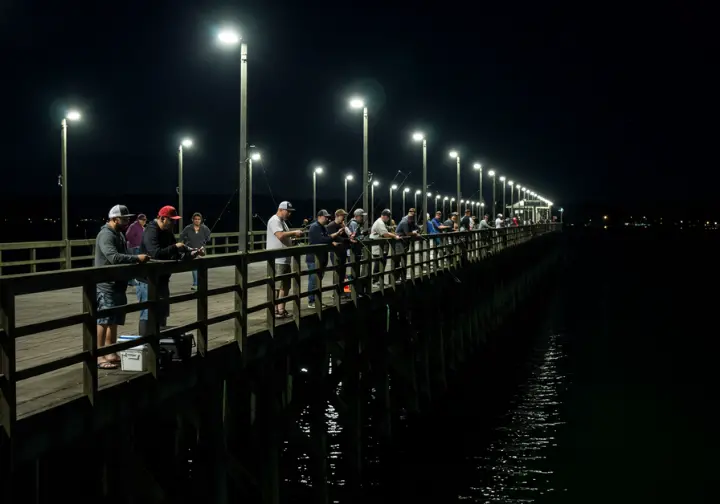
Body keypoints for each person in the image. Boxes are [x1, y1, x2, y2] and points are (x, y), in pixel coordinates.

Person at [95, 205, 149, 369]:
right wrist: (136, 259)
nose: (127, 221)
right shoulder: (105, 235)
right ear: (114, 219)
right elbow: (113, 257)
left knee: (114, 319)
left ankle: (110, 351)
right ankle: (99, 355)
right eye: (124, 219)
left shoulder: (118, 234)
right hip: (106, 285)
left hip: (118, 284)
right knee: (103, 320)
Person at [136, 205, 198, 336]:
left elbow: (175, 254)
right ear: (163, 218)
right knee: (147, 315)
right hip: (148, 281)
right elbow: (155, 253)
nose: (173, 223)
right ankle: (146, 344)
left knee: (162, 312)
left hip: (163, 279)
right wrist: (175, 246)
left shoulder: (168, 232)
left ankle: (160, 344)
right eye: (171, 220)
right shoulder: (151, 231)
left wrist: (192, 254)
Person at [266, 201, 304, 319]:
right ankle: (278, 310)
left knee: (285, 286)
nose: (289, 214)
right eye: (288, 211)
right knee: (280, 286)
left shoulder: (282, 222)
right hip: (278, 259)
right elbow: (280, 235)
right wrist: (294, 232)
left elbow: (284, 237)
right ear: (280, 210)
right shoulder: (274, 220)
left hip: (285, 258)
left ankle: (280, 309)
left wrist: (292, 240)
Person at [306, 209, 343, 308]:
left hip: (321, 258)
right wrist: (333, 237)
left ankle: (317, 300)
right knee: (313, 280)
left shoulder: (322, 227)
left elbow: (327, 238)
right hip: (314, 258)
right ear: (319, 217)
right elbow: (321, 240)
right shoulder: (314, 227)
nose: (327, 218)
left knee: (318, 279)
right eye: (325, 217)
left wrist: (334, 237)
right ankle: (312, 301)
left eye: (327, 217)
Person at [180, 212, 211, 291]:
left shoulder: (204, 228)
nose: (197, 221)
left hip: (201, 249)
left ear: (201, 220)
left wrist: (204, 241)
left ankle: (199, 283)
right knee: (194, 267)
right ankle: (196, 284)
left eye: (198, 219)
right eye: (195, 219)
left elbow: (208, 237)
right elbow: (182, 236)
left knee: (200, 267)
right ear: (192, 220)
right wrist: (186, 243)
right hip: (191, 250)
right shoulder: (188, 228)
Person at [370, 209, 400, 285]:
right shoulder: (380, 223)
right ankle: (375, 281)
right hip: (378, 247)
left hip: (381, 247)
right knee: (379, 263)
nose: (389, 219)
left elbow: (386, 231)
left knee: (382, 263)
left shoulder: (381, 222)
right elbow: (385, 234)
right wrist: (395, 236)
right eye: (388, 217)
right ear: (385, 216)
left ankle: (378, 280)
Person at [394, 208, 420, 282]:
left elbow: (416, 227)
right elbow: (407, 233)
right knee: (398, 260)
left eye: (414, 213)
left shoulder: (410, 220)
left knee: (403, 259)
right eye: (411, 213)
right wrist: (414, 233)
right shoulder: (404, 222)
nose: (413, 215)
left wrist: (416, 229)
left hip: (404, 241)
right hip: (399, 242)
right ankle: (396, 278)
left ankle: (403, 277)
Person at [124, 213, 146, 286]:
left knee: (138, 265)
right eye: (143, 220)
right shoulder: (133, 226)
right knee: (132, 265)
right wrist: (134, 243)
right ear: (139, 220)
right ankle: (130, 280)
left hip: (139, 248)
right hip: (133, 248)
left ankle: (136, 279)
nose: (144, 221)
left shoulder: (142, 227)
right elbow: (128, 235)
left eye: (145, 220)